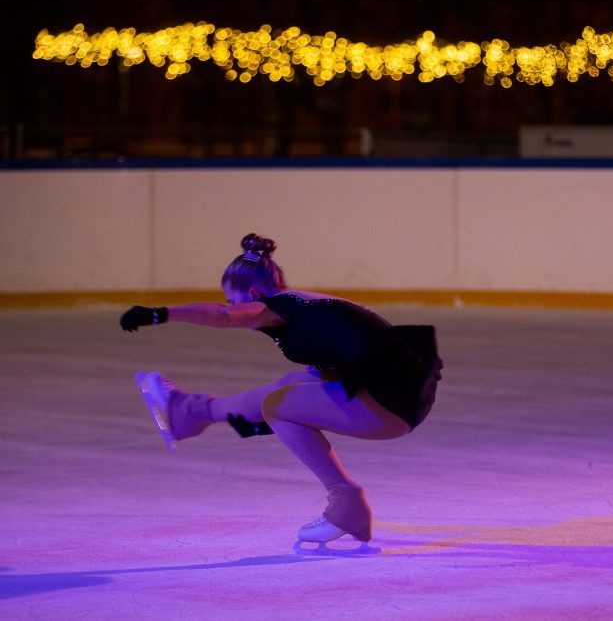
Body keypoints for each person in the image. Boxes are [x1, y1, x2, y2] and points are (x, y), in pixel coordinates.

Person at [120, 233, 443, 545]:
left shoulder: (277, 307)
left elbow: (224, 317)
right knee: (292, 385)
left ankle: (346, 503)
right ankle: (192, 412)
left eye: (235, 299)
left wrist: (160, 313)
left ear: (253, 293)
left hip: (390, 404)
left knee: (279, 406)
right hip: (401, 396)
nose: (233, 306)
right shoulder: (306, 304)